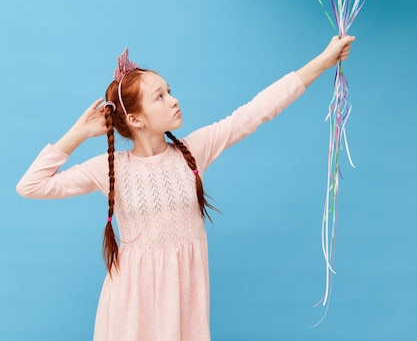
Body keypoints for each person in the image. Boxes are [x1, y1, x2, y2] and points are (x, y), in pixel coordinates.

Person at [16, 35, 355, 341]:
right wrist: (77, 133)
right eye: (160, 97)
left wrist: (324, 61)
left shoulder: (193, 152)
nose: (174, 100)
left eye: (170, 90)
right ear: (136, 120)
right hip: (127, 314)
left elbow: (257, 111)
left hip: (183, 309)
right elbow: (31, 185)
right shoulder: (111, 169)